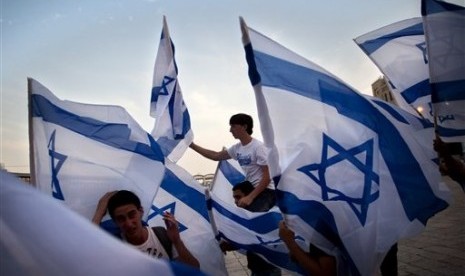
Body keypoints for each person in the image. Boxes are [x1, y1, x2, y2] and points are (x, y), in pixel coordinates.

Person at [92, 190, 199, 268]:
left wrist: (176, 241)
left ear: (141, 212)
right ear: (115, 222)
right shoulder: (115, 245)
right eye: (121, 219)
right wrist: (99, 214)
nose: (129, 223)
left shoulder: (161, 235)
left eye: (132, 215)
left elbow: (194, 269)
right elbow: (85, 255)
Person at [190, 113, 275, 210]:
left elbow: (268, 177)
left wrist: (250, 197)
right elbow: (215, 156)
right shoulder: (237, 148)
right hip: (252, 191)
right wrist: (192, 145)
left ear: (244, 127)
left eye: (233, 126)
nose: (230, 130)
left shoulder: (258, 147)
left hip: (266, 192)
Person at [220, 181, 281, 276]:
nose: (236, 201)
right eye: (234, 198)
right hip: (257, 268)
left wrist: (231, 243)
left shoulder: (259, 215)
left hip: (268, 269)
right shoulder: (250, 215)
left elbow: (252, 239)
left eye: (238, 197)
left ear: (248, 195)